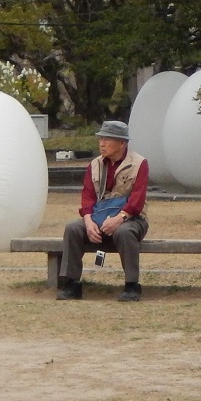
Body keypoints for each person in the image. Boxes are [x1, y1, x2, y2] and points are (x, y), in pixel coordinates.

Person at [57, 120, 149, 302]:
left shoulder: (139, 164)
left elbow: (137, 201)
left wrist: (119, 219)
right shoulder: (94, 165)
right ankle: (71, 283)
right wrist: (88, 221)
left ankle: (132, 285)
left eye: (107, 139)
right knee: (73, 229)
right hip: (98, 216)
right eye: (100, 139)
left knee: (125, 232)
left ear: (121, 143)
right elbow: (87, 196)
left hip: (131, 218)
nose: (102, 143)